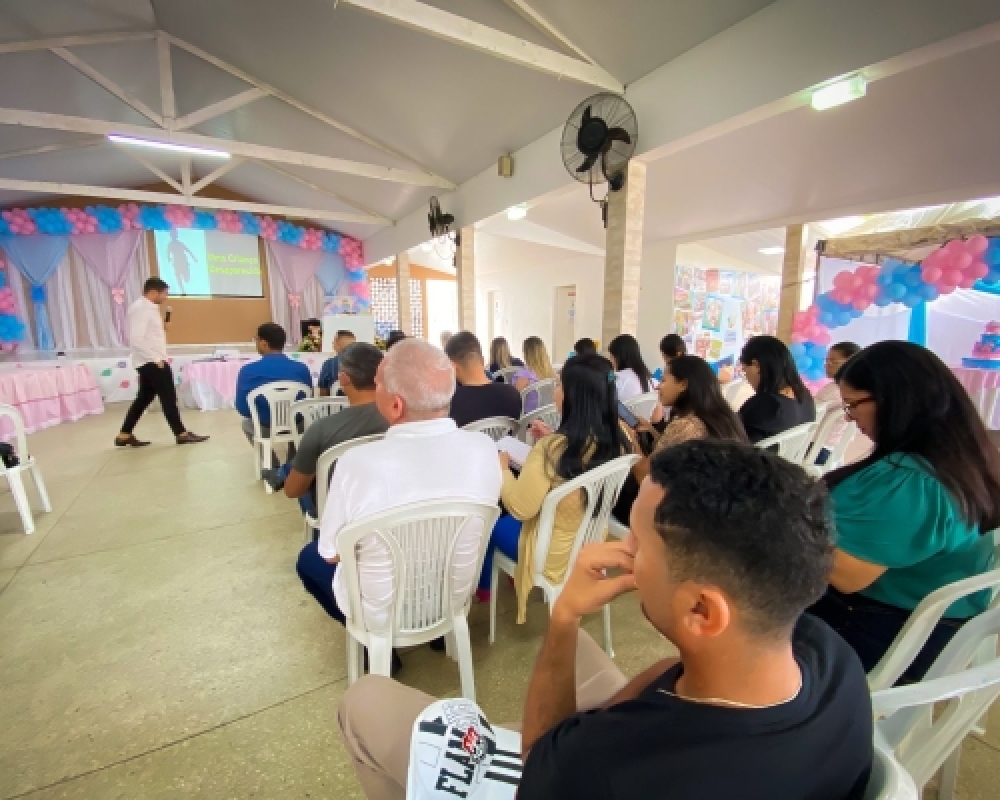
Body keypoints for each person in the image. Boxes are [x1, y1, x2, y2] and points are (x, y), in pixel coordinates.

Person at [337, 441, 874, 800]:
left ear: (702, 611)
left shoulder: (610, 766)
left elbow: (539, 760)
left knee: (364, 701)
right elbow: (668, 682)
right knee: (598, 669)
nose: (623, 547)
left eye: (639, 543)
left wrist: (564, 618)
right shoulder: (827, 653)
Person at [295, 339, 502, 670]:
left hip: (382, 612)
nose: (373, 388)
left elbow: (331, 553)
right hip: (453, 597)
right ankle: (437, 633)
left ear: (395, 406)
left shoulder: (356, 463)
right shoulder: (484, 448)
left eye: (377, 383)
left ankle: (381, 651)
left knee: (309, 559)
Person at [807, 341, 1000, 680]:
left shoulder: (912, 481)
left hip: (882, 631)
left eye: (853, 406)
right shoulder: (966, 454)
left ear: (896, 400)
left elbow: (845, 574)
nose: (850, 419)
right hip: (923, 624)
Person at [479, 353, 629, 619]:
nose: (555, 392)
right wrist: (552, 439)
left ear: (574, 396)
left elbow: (521, 508)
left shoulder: (552, 449)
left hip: (550, 553)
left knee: (494, 523)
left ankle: (485, 592)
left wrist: (502, 468)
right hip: (591, 540)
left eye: (559, 385)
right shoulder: (618, 439)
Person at [262, 343, 389, 515]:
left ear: (344, 379)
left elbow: (292, 491)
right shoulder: (402, 419)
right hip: (387, 503)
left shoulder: (321, 429)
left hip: (337, 513)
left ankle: (283, 473)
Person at [624, 354, 747, 489]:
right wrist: (652, 430)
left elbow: (645, 476)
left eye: (663, 380)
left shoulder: (687, 425)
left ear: (683, 384)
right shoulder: (722, 416)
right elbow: (677, 447)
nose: (658, 387)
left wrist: (629, 438)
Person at [116, 277, 208, 447]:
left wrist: (163, 328)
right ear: (152, 292)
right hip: (152, 362)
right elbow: (136, 339)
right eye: (164, 293)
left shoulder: (149, 308)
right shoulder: (141, 308)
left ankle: (124, 435)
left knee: (143, 399)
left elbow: (148, 334)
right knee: (168, 398)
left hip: (149, 360)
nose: (166, 297)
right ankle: (181, 433)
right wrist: (156, 359)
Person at [235, 323, 312, 452]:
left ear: (264, 343)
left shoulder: (247, 371)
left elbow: (242, 409)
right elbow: (307, 403)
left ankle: (271, 463)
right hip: (297, 425)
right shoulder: (301, 368)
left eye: (256, 339)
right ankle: (294, 458)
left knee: (246, 424)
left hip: (265, 427)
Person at [737, 335, 816, 443]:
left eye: (745, 370)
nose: (746, 377)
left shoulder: (766, 403)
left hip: (755, 459)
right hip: (788, 459)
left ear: (756, 366)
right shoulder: (805, 396)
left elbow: (730, 436)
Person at [445, 332, 522, 427]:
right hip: (502, 442)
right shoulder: (513, 394)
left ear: (453, 366)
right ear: (482, 359)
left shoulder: (451, 403)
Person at [812, 341, 863, 462]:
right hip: (831, 448)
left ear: (850, 362)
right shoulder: (851, 388)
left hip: (816, 449)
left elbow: (810, 412)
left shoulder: (838, 390)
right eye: (827, 360)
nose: (827, 365)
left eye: (833, 361)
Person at [514, 336, 557, 413]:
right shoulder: (552, 374)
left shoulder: (524, 375)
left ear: (526, 354)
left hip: (529, 419)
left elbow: (515, 400)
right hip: (550, 417)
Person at [607, 333, 656, 402]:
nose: (610, 360)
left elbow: (606, 394)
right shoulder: (652, 379)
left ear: (618, 357)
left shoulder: (616, 376)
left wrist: (609, 372)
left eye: (611, 356)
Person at [318, 330, 356, 396]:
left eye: (334, 341)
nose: (332, 343)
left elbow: (323, 395)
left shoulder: (328, 365)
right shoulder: (363, 364)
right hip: (360, 405)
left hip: (335, 405)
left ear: (337, 345)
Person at [166, 229, 197, 296]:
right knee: (178, 276)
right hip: (176, 262)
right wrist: (169, 258)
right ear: (171, 235)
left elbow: (188, 250)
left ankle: (185, 278)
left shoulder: (180, 243)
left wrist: (194, 258)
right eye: (173, 234)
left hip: (184, 261)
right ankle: (182, 291)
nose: (175, 235)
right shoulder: (170, 244)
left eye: (175, 234)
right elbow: (168, 253)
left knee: (186, 279)